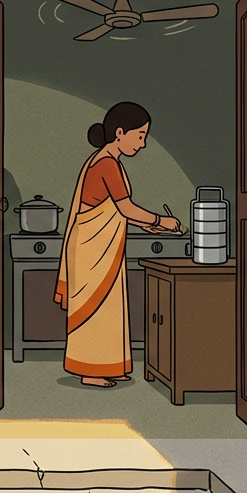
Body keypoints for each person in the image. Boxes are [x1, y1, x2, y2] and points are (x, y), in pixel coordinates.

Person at [55, 102, 180, 388]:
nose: (144, 143)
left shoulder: (108, 161)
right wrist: (162, 221)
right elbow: (126, 209)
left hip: (102, 248)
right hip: (91, 250)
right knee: (95, 308)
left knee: (110, 308)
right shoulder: (107, 164)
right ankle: (90, 370)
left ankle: (108, 366)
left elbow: (115, 209)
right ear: (120, 132)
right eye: (140, 135)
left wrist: (147, 224)